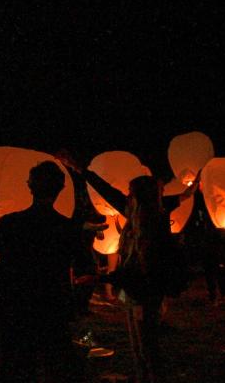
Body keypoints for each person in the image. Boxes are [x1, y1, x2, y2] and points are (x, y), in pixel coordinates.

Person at [59, 158, 197, 383]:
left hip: (146, 294)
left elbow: (139, 271)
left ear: (138, 197)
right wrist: (80, 169)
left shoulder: (152, 226)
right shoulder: (137, 213)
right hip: (134, 292)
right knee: (138, 348)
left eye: (130, 192)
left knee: (147, 348)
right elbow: (107, 191)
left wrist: (99, 277)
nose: (127, 195)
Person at [0, 161, 106, 383]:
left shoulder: (10, 223)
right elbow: (87, 269)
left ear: (30, 187)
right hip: (52, 307)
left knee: (16, 365)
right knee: (55, 366)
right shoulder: (67, 228)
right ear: (60, 189)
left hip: (15, 306)